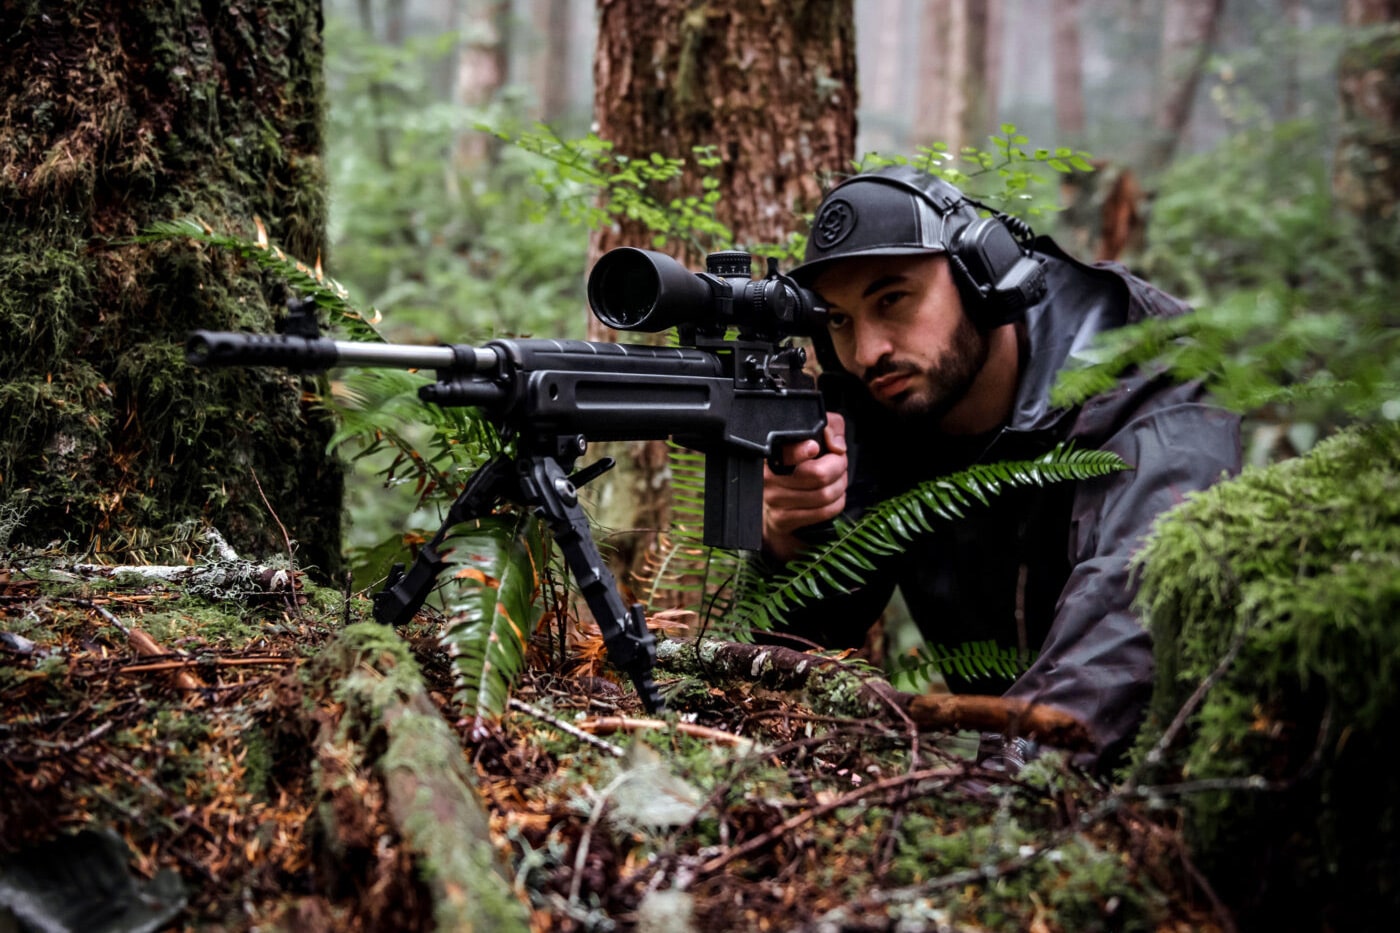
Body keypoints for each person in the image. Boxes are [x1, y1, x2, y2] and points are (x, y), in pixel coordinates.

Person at [762, 165, 1241, 772]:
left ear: (981, 277)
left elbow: (1128, 629)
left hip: (1200, 783)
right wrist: (792, 538)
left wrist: (986, 805)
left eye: (893, 299)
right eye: (839, 319)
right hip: (1017, 776)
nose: (867, 350)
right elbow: (789, 670)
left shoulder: (1145, 378)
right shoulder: (885, 403)